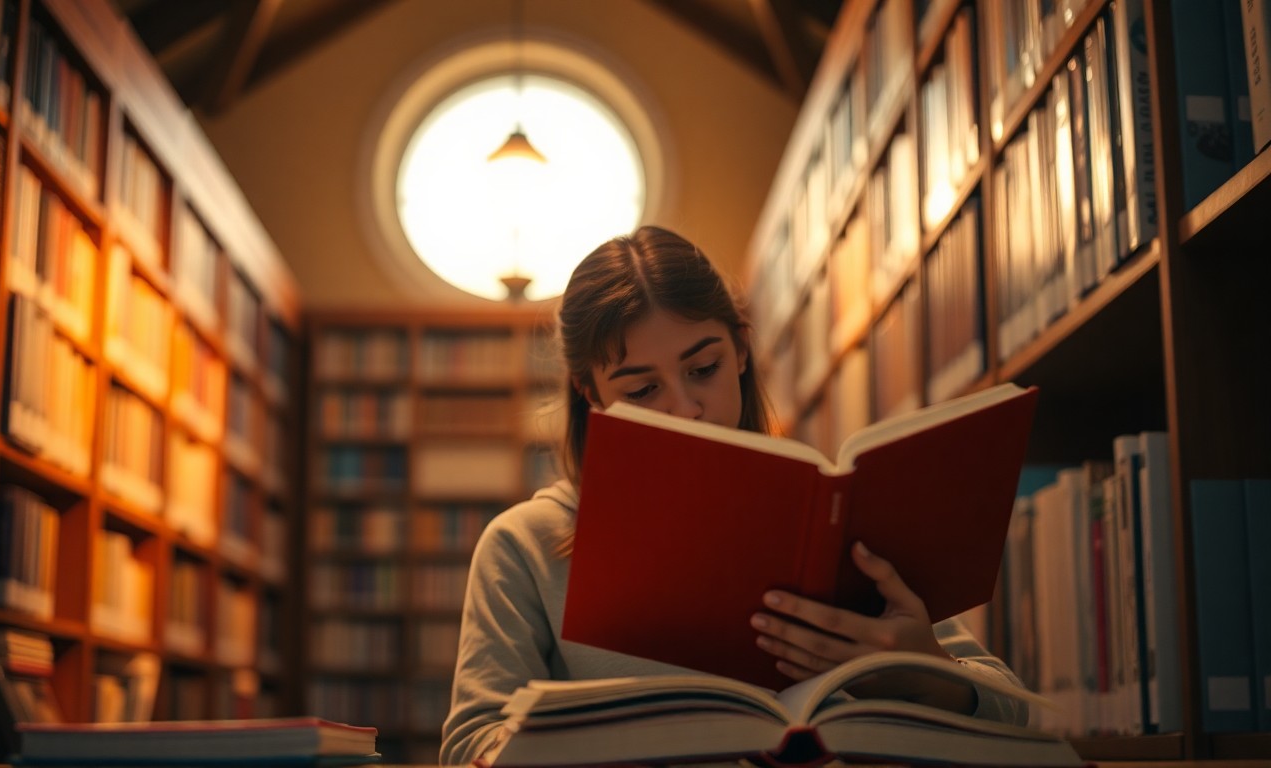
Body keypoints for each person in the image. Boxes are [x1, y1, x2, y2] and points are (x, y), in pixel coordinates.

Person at [439, 225, 1027, 765]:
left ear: (741, 352)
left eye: (704, 369)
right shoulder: (525, 545)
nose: (685, 409)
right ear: (590, 394)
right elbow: (472, 746)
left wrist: (922, 673)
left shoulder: (828, 521)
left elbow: (1013, 713)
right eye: (643, 389)